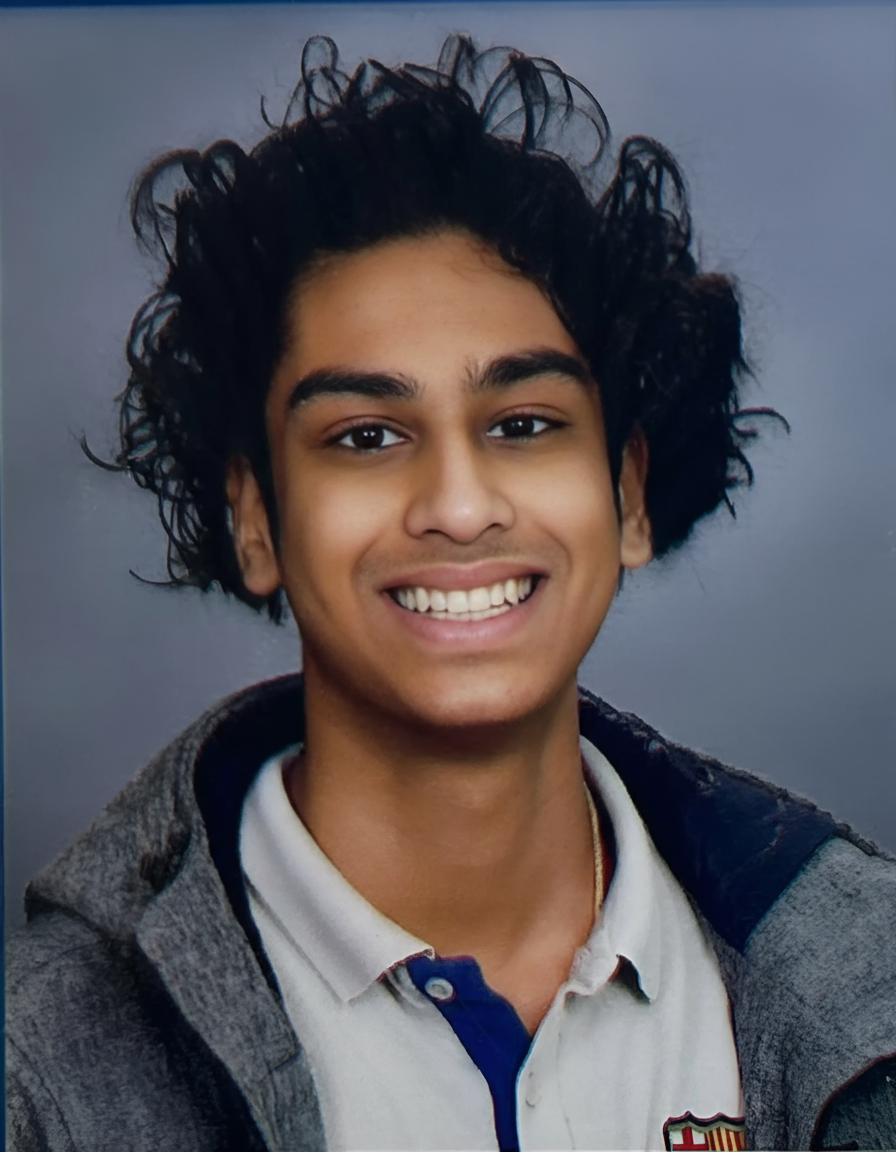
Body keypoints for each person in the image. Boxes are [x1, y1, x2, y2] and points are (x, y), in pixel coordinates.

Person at [6, 35, 894, 1152]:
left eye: (522, 424)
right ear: (253, 517)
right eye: (366, 435)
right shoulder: (37, 1067)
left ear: (624, 495)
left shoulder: (864, 991)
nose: (459, 506)